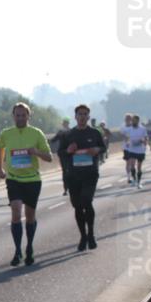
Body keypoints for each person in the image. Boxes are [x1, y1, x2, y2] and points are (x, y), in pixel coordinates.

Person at [0, 102, 52, 266]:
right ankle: (17, 250)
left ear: (28, 116)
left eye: (23, 115)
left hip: (32, 180)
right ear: (13, 116)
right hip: (13, 179)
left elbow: (49, 157)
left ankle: (29, 247)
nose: (20, 118)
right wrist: (0, 168)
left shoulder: (36, 133)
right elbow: (0, 148)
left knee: (30, 216)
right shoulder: (6, 133)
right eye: (17, 115)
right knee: (15, 212)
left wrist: (36, 152)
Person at [59, 105, 106, 251]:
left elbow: (103, 147)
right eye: (80, 114)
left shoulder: (95, 133)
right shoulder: (68, 135)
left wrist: (97, 149)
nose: (82, 117)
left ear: (88, 117)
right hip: (73, 175)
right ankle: (83, 236)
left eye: (85, 114)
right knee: (77, 206)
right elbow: (60, 152)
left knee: (86, 200)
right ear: (75, 116)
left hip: (90, 174)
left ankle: (91, 234)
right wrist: (68, 150)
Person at [122, 114, 149, 189]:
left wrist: (144, 141)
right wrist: (127, 142)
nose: (134, 122)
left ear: (138, 121)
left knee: (139, 167)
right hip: (132, 149)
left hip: (140, 150)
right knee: (132, 165)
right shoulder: (129, 129)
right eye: (133, 120)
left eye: (136, 120)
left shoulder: (142, 129)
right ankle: (134, 179)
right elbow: (126, 138)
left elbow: (146, 137)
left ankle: (139, 182)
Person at [51, 118, 72, 196]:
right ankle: (66, 189)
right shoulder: (69, 131)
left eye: (65, 123)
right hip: (64, 153)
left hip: (68, 153)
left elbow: (53, 140)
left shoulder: (69, 131)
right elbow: (53, 140)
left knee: (68, 171)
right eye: (64, 123)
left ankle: (68, 188)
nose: (65, 124)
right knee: (66, 171)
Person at [120, 113, 135, 184]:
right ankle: (129, 177)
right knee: (128, 162)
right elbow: (122, 135)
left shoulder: (134, 126)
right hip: (126, 147)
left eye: (129, 118)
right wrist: (127, 140)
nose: (128, 120)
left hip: (133, 147)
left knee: (133, 163)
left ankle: (133, 176)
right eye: (127, 118)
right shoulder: (123, 127)